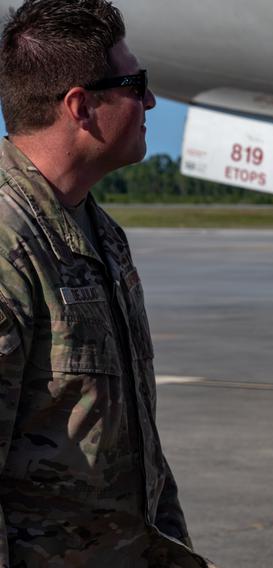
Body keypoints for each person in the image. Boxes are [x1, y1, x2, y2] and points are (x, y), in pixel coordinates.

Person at [0, 1, 207, 566]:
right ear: (81, 106)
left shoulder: (97, 232)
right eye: (135, 85)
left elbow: (134, 438)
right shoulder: (8, 244)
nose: (151, 102)